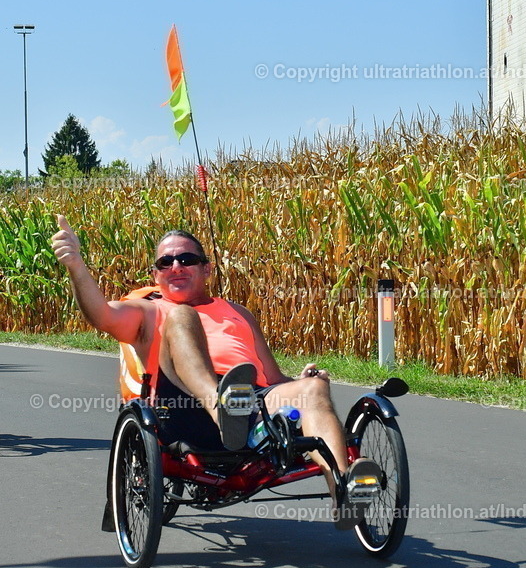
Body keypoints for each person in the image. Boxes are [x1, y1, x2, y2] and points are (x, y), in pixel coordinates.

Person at [50, 215, 379, 528]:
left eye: (186, 259)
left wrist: (305, 383)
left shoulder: (238, 313)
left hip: (249, 401)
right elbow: (103, 316)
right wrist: (76, 266)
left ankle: (343, 489)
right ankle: (222, 408)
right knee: (181, 317)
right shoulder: (148, 311)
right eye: (166, 262)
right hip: (181, 406)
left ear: (206, 268)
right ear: (156, 275)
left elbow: (273, 379)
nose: (176, 266)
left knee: (313, 391)